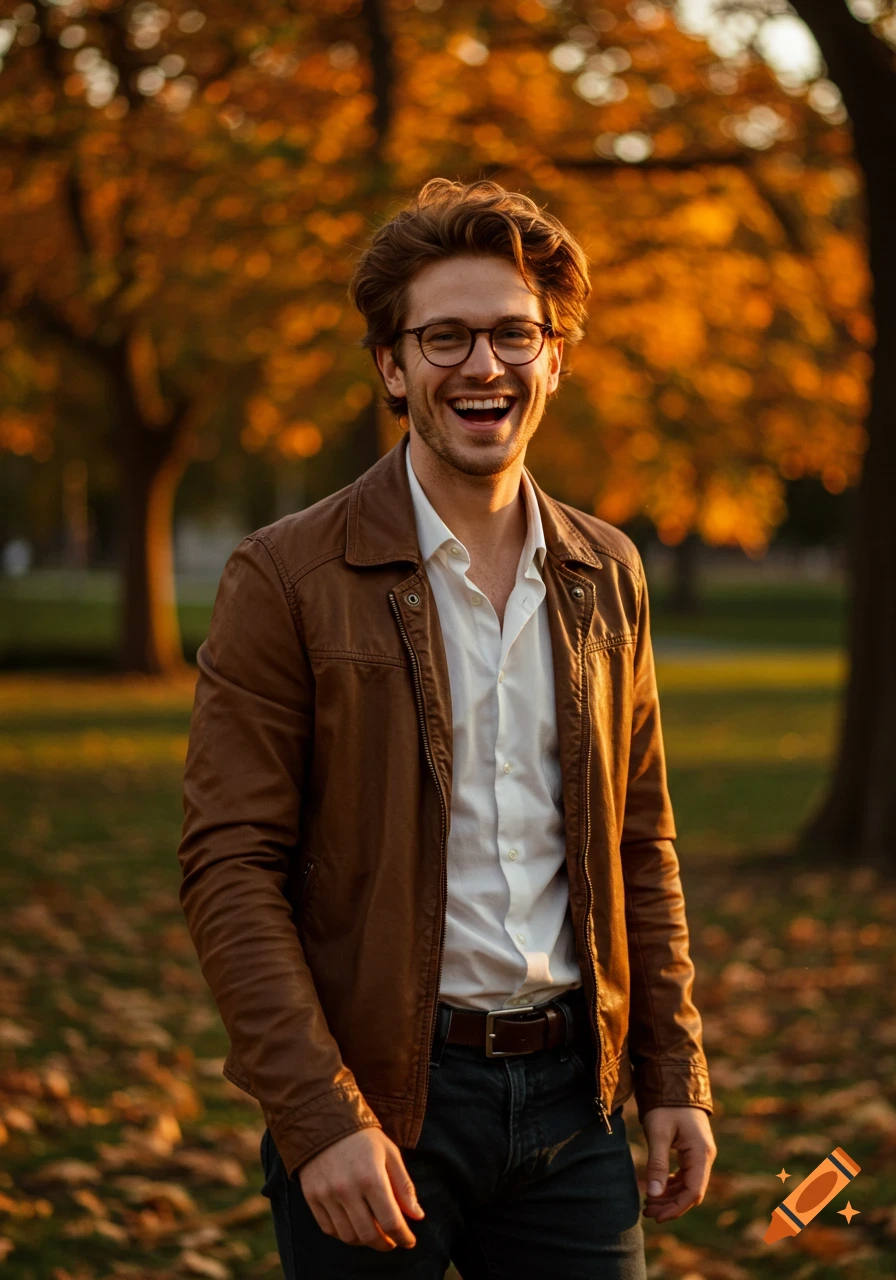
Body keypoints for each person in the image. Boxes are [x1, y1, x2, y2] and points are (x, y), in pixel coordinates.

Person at [177, 178, 716, 1279]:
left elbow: (639, 843)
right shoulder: (286, 575)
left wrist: (673, 1073)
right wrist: (318, 1116)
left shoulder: (605, 571)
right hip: (377, 1101)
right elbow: (230, 868)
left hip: (574, 1103)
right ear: (392, 365)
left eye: (515, 335)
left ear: (553, 360)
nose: (484, 366)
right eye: (445, 338)